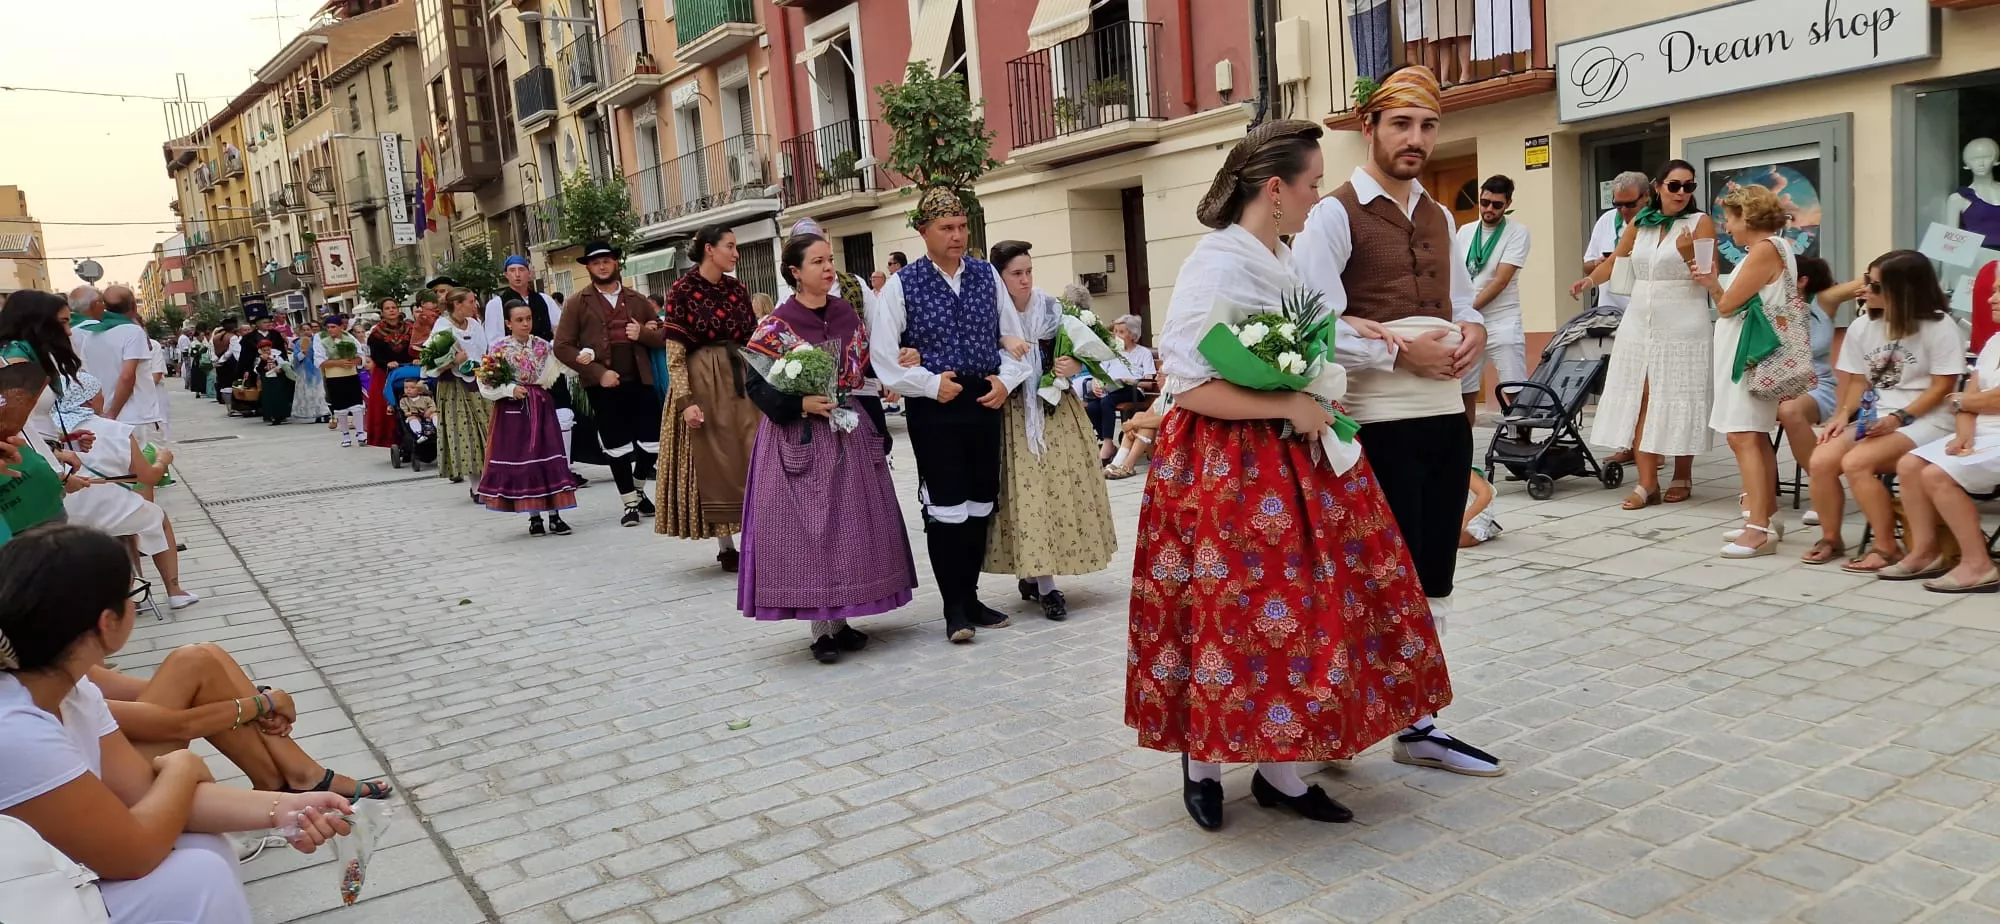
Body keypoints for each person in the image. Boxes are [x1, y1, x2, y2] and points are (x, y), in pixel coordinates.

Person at [1132, 119, 1473, 834]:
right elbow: (1189, 385)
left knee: (1299, 620)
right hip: (1226, 469)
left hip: (1291, 461)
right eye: (1314, 184)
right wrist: (1291, 399)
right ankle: (1202, 765)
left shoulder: (1278, 254)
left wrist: (1348, 348)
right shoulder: (1218, 260)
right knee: (1229, 616)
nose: (1321, 197)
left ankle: (1279, 771)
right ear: (1275, 188)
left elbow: (1308, 337)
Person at [0, 525, 352, 924]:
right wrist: (185, 768)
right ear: (106, 622)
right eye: (133, 594)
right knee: (197, 873)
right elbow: (133, 854)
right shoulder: (16, 731)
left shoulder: (70, 688)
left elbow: (140, 791)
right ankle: (297, 776)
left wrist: (288, 811)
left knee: (200, 849)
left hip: (56, 871)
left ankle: (297, 784)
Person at [1292, 65, 1490, 641]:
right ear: (1368, 127)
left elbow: (1461, 301)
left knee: (1436, 563)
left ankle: (1421, 713)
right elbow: (1313, 325)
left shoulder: (1442, 214)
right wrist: (1400, 356)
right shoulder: (1334, 213)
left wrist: (1472, 328)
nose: (1416, 139)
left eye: (1428, 126)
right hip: (1376, 423)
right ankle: (1387, 698)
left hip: (1447, 416)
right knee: (1384, 566)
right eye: (1401, 124)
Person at [738, 233, 916, 662]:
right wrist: (798, 402)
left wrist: (891, 378)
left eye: (830, 260)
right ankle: (822, 630)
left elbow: (864, 370)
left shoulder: (846, 314)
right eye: (817, 261)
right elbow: (755, 384)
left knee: (848, 526)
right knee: (811, 528)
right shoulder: (777, 323)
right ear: (795, 272)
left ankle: (841, 619)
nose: (827, 268)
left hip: (847, 429)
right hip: (798, 435)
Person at [866, 188, 1018, 644]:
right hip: (934, 406)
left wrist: (1006, 380)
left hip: (982, 398)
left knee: (979, 502)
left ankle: (971, 597)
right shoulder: (902, 284)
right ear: (923, 232)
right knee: (946, 506)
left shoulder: (986, 275)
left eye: (962, 227)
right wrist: (932, 384)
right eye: (946, 228)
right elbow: (884, 357)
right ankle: (954, 607)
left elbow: (1011, 336)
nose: (957, 236)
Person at [0, 293, 198, 608]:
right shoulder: (13, 364)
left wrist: (62, 445)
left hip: (47, 477)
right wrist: (59, 470)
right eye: (63, 322)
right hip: (31, 483)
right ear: (37, 322)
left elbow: (29, 428)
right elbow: (14, 432)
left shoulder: (25, 361)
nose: (68, 331)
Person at [980, 239, 1117, 621]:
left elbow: (1087, 348)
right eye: (1016, 273)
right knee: (1026, 494)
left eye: (1028, 271)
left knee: (1058, 490)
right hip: (1013, 411)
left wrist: (1074, 363)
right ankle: (1043, 582)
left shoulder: (1052, 307)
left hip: (1055, 408)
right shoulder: (992, 314)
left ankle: (1042, 577)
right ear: (1000, 276)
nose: (1025, 280)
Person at [1803, 251, 1965, 570]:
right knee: (1821, 460)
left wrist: (1897, 419)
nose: (1864, 290)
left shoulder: (1939, 326)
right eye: (1866, 280)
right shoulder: (1863, 326)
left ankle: (1886, 546)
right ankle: (1831, 538)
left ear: (1903, 290)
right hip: (1879, 416)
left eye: (1875, 286)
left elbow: (1942, 387)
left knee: (1857, 462)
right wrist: (1840, 416)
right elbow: (1857, 382)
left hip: (1928, 418)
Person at [1571, 159, 1716, 508]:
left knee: (1681, 394)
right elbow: (1616, 261)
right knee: (1643, 395)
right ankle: (1648, 483)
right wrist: (1590, 280)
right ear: (1658, 186)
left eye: (1689, 186)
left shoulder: (1700, 222)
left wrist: (1687, 253)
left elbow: (1709, 271)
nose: (1682, 192)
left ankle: (1683, 472)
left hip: (1684, 317)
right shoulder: (1641, 222)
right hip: (1640, 319)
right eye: (1675, 185)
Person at [87, 646, 391, 800]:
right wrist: (266, 702)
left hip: (109, 766)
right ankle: (301, 775)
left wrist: (251, 697)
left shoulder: (54, 667)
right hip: (108, 793)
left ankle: (287, 779)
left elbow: (171, 691)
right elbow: (175, 726)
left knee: (206, 657)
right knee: (194, 661)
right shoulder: (47, 684)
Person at [1690, 184, 1799, 558]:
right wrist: (1712, 283)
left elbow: (1728, 307)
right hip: (1751, 352)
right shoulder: (1776, 248)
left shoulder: (1764, 250)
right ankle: (1763, 513)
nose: (1726, 226)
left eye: (1730, 218)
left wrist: (1713, 288)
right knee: (1753, 435)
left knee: (1742, 436)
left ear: (1747, 217)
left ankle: (1758, 528)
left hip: (1746, 355)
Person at [653, 228, 758, 553]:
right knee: (712, 459)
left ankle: (758, 535)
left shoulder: (737, 288)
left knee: (750, 451)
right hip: (702, 381)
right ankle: (726, 545)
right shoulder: (682, 290)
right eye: (730, 247)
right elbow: (674, 353)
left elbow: (753, 339)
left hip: (739, 378)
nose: (735, 253)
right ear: (709, 250)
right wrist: (686, 402)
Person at [1894, 276, 2000, 592]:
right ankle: (1926, 551)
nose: (1991, 299)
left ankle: (1978, 565)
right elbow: (1970, 394)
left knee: (1937, 475)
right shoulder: (1995, 342)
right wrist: (1962, 435)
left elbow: (1984, 399)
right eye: (1994, 290)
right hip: (1983, 432)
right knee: (1910, 465)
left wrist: (1963, 402)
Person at [555, 242, 668, 527]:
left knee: (652, 442)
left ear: (615, 263)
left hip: (640, 381)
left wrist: (642, 332)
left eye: (606, 261)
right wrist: (596, 372)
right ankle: (630, 503)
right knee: (616, 445)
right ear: (588, 267)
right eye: (595, 263)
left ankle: (639, 489)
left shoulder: (637, 299)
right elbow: (562, 347)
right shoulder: (576, 302)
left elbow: (662, 335)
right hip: (602, 386)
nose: (602, 266)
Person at [486, 255, 590, 489]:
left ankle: (564, 467)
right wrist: (507, 374)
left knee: (563, 415)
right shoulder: (496, 304)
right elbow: (493, 339)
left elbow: (560, 330)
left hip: (548, 365)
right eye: (512, 270)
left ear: (529, 273)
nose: (517, 274)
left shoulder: (543, 299)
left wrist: (569, 354)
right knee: (524, 426)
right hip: (517, 372)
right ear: (506, 275)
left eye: (521, 269)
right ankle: (527, 470)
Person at [477, 301, 576, 536]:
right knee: (524, 461)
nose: (525, 324)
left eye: (528, 318)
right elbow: (486, 381)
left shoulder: (542, 345)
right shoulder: (498, 348)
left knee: (548, 457)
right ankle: (534, 517)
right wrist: (509, 390)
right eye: (519, 320)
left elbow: (564, 364)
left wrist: (583, 358)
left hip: (541, 406)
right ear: (508, 323)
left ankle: (555, 515)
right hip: (513, 411)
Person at [1456, 174, 1533, 424]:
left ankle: (1522, 448)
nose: (1489, 209)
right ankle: (1463, 458)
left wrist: (1466, 308)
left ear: (1508, 203)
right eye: (1484, 202)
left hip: (1502, 320)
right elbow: (1455, 273)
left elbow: (1500, 281)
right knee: (1464, 391)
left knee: (1514, 390)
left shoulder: (1517, 232)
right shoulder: (1465, 231)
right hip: (1469, 323)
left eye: (1496, 204)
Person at [1775, 256, 1845, 524]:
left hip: (1816, 387)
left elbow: (1869, 279)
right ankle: (1756, 497)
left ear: (1802, 280)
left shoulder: (1821, 304)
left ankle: (1822, 489)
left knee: (1790, 410)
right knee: (1744, 419)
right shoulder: (1769, 303)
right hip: (1774, 385)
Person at [424, 289, 493, 494]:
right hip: (455, 387)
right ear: (457, 304)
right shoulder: (442, 328)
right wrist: (453, 361)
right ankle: (476, 486)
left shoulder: (474, 324)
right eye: (471, 302)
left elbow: (484, 351)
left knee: (488, 430)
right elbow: (429, 365)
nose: (475, 306)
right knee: (467, 434)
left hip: (479, 383)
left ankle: (491, 479)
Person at [71, 286, 160, 435]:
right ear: (133, 306)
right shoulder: (133, 332)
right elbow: (127, 376)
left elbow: (86, 377)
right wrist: (113, 412)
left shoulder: (91, 335)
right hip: (135, 416)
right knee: (152, 457)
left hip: (103, 417)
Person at [1082, 307, 1157, 464]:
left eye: (1121, 332)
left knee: (1106, 401)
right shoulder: (1112, 352)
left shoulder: (1143, 353)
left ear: (1133, 335)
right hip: (1110, 389)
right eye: (1115, 331)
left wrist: (1129, 380)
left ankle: (1108, 445)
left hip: (1133, 390)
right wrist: (1096, 382)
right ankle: (1106, 441)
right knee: (1092, 407)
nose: (1116, 335)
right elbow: (1099, 372)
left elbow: (1149, 382)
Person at [364, 299, 418, 449]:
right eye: (387, 308)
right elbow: (375, 354)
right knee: (389, 405)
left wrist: (416, 359)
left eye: (394, 307)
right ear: (382, 312)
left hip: (409, 371)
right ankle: (394, 439)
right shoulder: (376, 333)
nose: (391, 310)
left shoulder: (410, 328)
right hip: (386, 372)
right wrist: (386, 362)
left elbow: (416, 347)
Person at [313, 315, 367, 446]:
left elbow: (361, 356)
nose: (330, 330)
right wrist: (338, 362)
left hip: (351, 375)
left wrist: (353, 361)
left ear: (341, 327)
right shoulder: (323, 341)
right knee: (340, 407)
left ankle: (360, 432)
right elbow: (319, 361)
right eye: (328, 327)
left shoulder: (350, 338)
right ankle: (345, 435)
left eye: (333, 327)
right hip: (334, 378)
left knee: (356, 405)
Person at [1102, 393, 1167, 480]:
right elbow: (1146, 416)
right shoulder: (1165, 394)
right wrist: (1131, 427)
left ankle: (1128, 465)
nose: (1157, 379)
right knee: (1139, 415)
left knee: (1146, 427)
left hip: (1170, 448)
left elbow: (1167, 419)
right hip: (1156, 443)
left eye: (1161, 377)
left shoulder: (1182, 396)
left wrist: (1133, 424)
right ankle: (1117, 462)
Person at [289, 319, 329, 424]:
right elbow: (296, 359)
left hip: (317, 369)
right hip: (304, 372)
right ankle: (312, 413)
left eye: (308, 329)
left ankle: (324, 413)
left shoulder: (318, 341)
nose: (306, 331)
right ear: (301, 331)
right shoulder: (299, 342)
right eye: (304, 330)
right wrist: (303, 353)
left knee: (320, 392)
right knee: (309, 393)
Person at [397, 379, 439, 468]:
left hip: (427, 417)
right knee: (412, 419)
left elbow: (433, 406)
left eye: (412, 388)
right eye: (406, 388)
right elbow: (404, 410)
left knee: (435, 414)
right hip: (414, 417)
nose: (408, 390)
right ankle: (419, 434)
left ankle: (438, 429)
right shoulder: (404, 400)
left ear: (419, 390)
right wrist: (410, 413)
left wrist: (429, 411)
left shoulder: (426, 398)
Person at [1461, 466, 1502, 547]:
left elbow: (1485, 494)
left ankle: (1486, 531)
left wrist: (1465, 519)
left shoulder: (1462, 470)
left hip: (1475, 510)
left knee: (1459, 540)